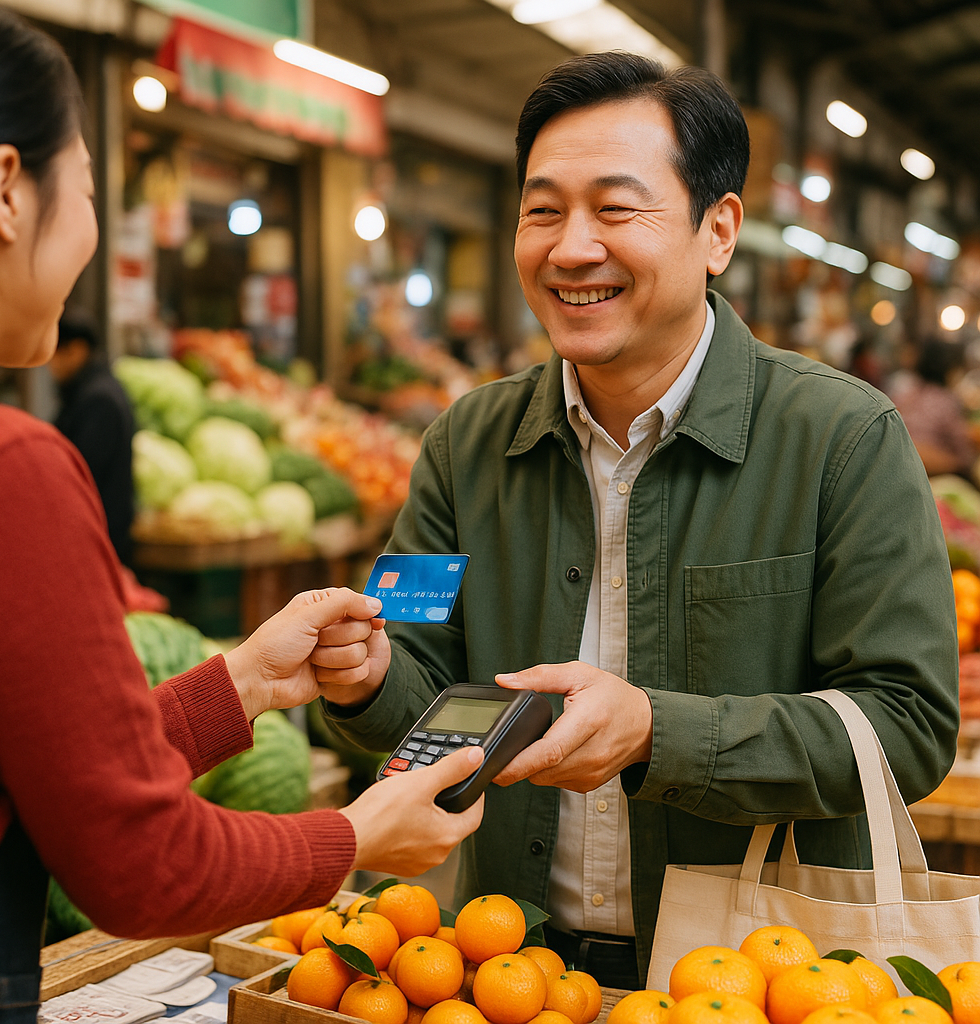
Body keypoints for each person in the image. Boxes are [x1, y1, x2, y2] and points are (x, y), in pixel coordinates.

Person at [318, 52, 959, 987]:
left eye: (616, 209)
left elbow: (907, 724)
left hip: (755, 982)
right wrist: (365, 678)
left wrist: (660, 733)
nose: (571, 249)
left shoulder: (841, 439)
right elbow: (422, 683)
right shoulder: (468, 443)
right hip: (507, 973)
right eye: (543, 211)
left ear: (718, 230)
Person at [0, 3, 483, 1020]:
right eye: (90, 191)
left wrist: (240, 683)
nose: (91, 233)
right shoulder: (0, 465)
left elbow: (60, 771)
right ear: (8, 190)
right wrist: (360, 833)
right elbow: (137, 862)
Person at [49, 309, 136, 565]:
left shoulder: (98, 400)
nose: (51, 364)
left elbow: (81, 470)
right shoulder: (95, 390)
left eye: (56, 353)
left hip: (100, 534)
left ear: (76, 350)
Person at [888, 336, 976, 477]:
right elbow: (963, 453)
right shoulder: (946, 401)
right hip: (934, 476)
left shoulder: (904, 395)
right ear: (949, 368)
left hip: (900, 471)